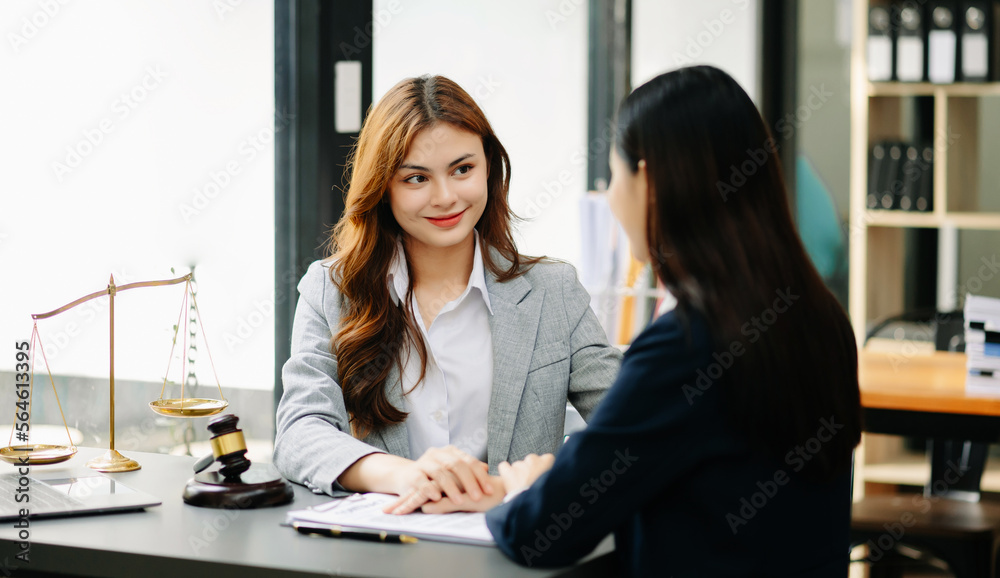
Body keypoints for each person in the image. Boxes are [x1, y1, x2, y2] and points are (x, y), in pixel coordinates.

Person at [395, 66, 863, 576]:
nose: (612, 198)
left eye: (615, 175)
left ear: (650, 183)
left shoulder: (685, 346)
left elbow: (541, 533)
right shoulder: (818, 317)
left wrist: (523, 488)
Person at [273, 75, 622, 506]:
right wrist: (407, 475)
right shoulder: (332, 288)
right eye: (416, 178)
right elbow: (299, 432)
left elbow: (633, 424)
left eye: (462, 169)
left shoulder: (553, 291)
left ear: (489, 167)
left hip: (513, 554)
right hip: (385, 549)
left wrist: (554, 470)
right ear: (382, 187)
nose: (445, 197)